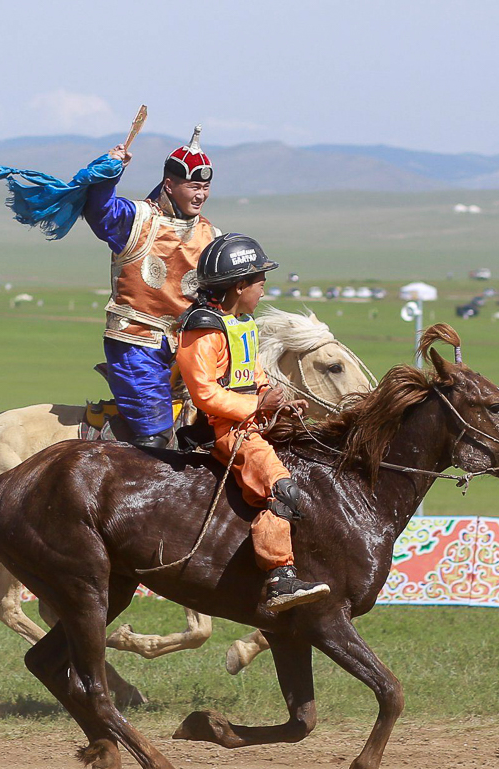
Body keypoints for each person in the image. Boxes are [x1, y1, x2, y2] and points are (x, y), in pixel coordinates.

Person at [175, 233, 331, 612]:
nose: (263, 287)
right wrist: (256, 405)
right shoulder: (205, 327)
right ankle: (279, 578)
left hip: (251, 418)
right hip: (224, 429)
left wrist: (280, 405)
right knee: (284, 490)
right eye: (259, 280)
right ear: (238, 284)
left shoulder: (241, 321)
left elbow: (254, 375)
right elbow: (205, 394)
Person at [82, 127, 220, 446]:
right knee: (156, 439)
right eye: (193, 186)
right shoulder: (136, 220)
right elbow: (99, 212)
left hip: (187, 350)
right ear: (170, 184)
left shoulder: (210, 234)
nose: (200, 194)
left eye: (206, 187)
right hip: (136, 344)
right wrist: (109, 171)